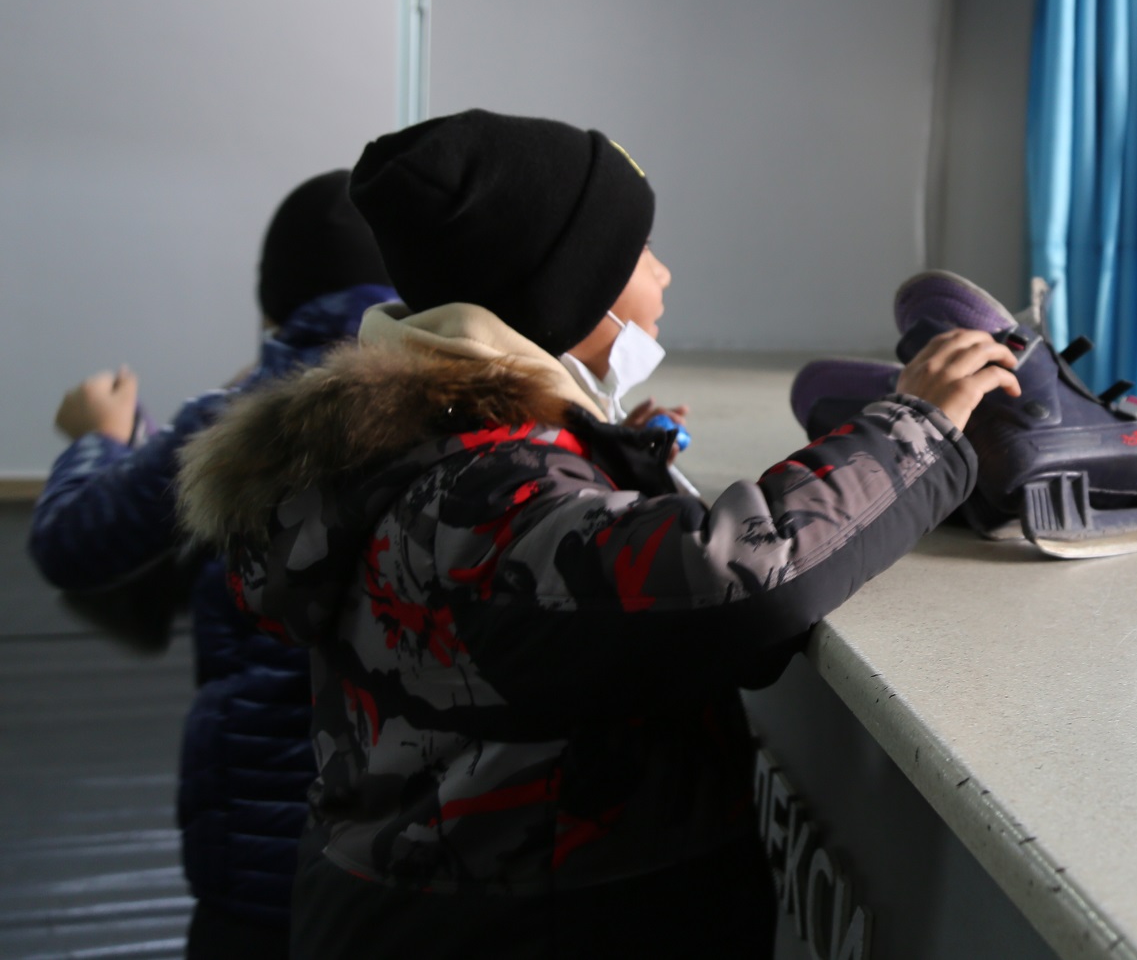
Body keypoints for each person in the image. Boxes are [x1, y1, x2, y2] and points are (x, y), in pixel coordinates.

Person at [175, 109, 1017, 958]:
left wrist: (602, 454)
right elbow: (738, 573)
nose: (663, 270)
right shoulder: (480, 500)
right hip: (517, 929)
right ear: (567, 291)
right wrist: (915, 427)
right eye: (639, 252)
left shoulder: (421, 451)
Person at [29, 170, 395, 959]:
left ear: (273, 298)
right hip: (413, 866)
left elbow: (71, 540)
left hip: (259, 874)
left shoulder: (229, 424)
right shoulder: (457, 413)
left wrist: (101, 436)